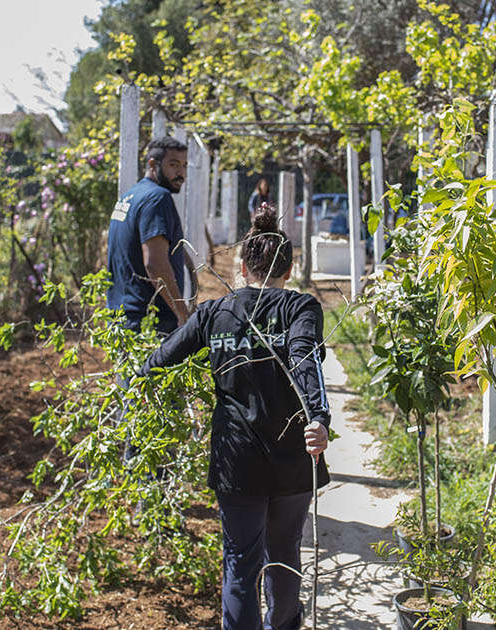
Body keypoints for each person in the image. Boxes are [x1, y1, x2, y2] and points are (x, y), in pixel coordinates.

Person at [139, 207, 331, 630]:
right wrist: (318, 418)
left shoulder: (213, 313)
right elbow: (304, 361)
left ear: (242, 267)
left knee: (240, 562)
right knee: (284, 554)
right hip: (293, 459)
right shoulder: (302, 308)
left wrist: (134, 379)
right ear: (290, 266)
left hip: (235, 461)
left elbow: (159, 360)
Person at [107, 136, 193, 335]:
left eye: (184, 166)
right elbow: (155, 264)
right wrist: (182, 314)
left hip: (121, 320)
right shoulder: (157, 198)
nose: (181, 173)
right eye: (173, 165)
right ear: (153, 164)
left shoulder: (130, 196)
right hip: (150, 323)